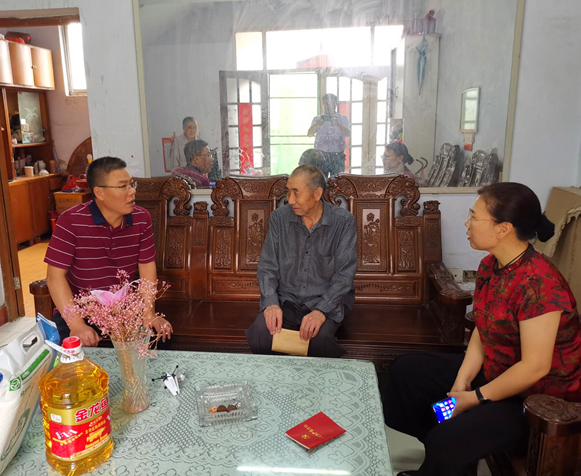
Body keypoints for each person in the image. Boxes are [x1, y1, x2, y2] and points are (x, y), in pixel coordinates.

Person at [383, 182, 581, 476]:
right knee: (406, 372)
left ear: (503, 229)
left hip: (534, 398)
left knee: (449, 438)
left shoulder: (539, 283)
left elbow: (535, 367)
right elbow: (483, 328)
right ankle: (445, 458)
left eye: (474, 217)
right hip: (497, 372)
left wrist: (475, 397)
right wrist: (462, 382)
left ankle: (445, 450)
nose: (467, 223)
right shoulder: (491, 265)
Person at [44, 156, 173, 346]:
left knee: (159, 342)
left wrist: (149, 314)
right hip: (80, 313)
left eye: (131, 184)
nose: (132, 191)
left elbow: (146, 266)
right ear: (99, 192)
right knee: (68, 354)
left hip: (123, 312)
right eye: (123, 187)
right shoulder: (70, 221)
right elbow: (54, 277)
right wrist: (77, 325)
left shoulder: (141, 218)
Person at [246, 165, 357, 358]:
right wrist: (271, 303)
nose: (290, 199)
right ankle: (278, 375)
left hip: (325, 301)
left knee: (319, 339)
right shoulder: (279, 219)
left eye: (296, 193)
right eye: (288, 192)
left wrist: (321, 311)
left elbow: (344, 277)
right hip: (287, 300)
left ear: (317, 194)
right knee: (261, 332)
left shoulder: (343, 223)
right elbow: (267, 267)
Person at [307, 94, 350, 177]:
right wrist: (317, 124)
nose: (328, 106)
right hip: (320, 156)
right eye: (326, 103)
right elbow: (309, 134)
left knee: (337, 181)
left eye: (331, 103)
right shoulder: (317, 119)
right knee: (321, 180)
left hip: (337, 156)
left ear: (335, 104)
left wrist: (338, 124)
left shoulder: (342, 118)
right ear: (323, 104)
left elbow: (348, 133)